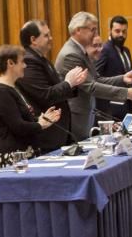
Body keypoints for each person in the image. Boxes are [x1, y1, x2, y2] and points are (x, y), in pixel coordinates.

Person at [55, 11, 132, 140]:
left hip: (85, 115)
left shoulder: (80, 51)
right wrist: (127, 93)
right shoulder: (71, 54)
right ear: (78, 30)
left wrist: (123, 78)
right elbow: (91, 87)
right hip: (75, 117)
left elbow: (97, 79)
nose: (96, 34)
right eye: (92, 29)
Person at [15, 19, 87, 154]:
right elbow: (45, 95)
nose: (51, 38)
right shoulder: (29, 61)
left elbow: (58, 88)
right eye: (46, 35)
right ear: (33, 40)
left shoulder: (41, 59)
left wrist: (74, 83)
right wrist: (68, 83)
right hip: (45, 134)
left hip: (56, 132)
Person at [0, 44, 62, 169]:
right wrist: (40, 125)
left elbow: (22, 119)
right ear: (10, 63)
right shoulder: (0, 92)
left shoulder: (13, 87)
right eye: (22, 62)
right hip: (12, 158)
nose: (25, 66)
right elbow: (17, 126)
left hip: (23, 154)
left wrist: (40, 119)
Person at [95, 15, 132, 120]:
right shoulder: (104, 50)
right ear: (110, 31)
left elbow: (128, 74)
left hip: (128, 106)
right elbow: (96, 77)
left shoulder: (126, 51)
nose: (121, 35)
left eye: (124, 31)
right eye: (117, 31)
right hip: (111, 108)